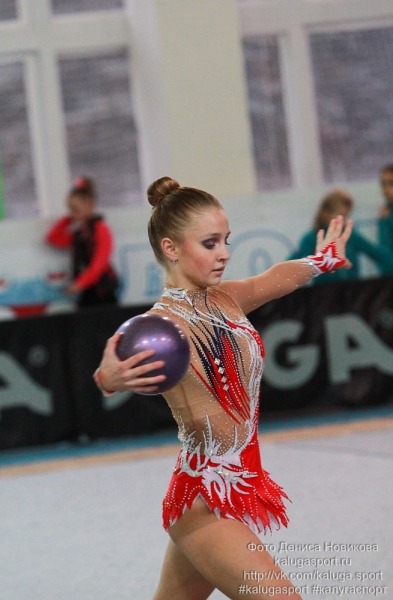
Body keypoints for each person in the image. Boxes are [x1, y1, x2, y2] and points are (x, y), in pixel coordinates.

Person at [93, 176, 353, 600]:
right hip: (202, 500)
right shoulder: (160, 327)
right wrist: (108, 379)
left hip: (238, 486)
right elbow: (114, 367)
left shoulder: (226, 299)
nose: (225, 253)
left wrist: (320, 261)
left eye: (226, 241)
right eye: (210, 243)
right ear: (171, 248)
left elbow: (275, 278)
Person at [288, 189, 393, 284]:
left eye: (347, 216)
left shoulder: (350, 236)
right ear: (326, 213)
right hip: (325, 295)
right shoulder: (311, 239)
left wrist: (385, 224)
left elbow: (381, 255)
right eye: (341, 215)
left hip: (352, 294)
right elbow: (291, 270)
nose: (344, 221)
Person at [46, 176, 119, 308]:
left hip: (101, 289)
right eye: (71, 209)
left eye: (75, 209)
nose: (73, 214)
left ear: (90, 205)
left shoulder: (101, 229)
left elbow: (99, 264)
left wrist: (80, 284)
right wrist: (69, 219)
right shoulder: (78, 234)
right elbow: (53, 238)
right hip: (86, 289)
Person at [378, 163, 393, 254]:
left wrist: (388, 221)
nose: (386, 189)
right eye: (383, 184)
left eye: (391, 184)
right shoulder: (386, 211)